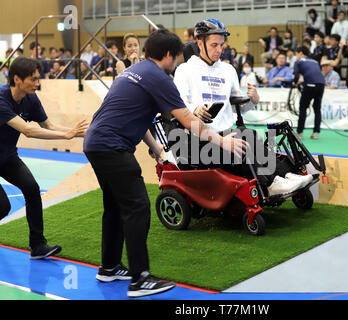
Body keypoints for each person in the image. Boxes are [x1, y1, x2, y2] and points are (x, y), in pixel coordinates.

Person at [83, 29, 247, 297]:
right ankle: (140, 279)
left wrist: (156, 147)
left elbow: (136, 113)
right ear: (169, 55)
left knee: (114, 206)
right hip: (113, 148)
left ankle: (110, 267)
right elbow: (189, 121)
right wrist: (224, 142)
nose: (179, 64)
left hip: (95, 143)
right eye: (179, 59)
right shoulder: (159, 77)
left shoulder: (134, 72)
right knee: (138, 206)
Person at [174, 19, 314, 196]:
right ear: (200, 43)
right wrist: (195, 109)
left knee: (251, 135)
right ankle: (272, 182)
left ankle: (284, 176)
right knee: (245, 139)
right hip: (199, 138)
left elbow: (238, 107)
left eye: (222, 45)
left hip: (226, 132)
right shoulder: (184, 70)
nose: (219, 50)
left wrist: (252, 100)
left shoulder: (228, 70)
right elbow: (179, 104)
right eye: (214, 45)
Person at [0, 57, 88, 259]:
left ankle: (38, 246)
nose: (38, 83)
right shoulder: (1, 99)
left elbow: (49, 126)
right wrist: (67, 135)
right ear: (17, 79)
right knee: (3, 207)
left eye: (38, 78)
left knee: (32, 188)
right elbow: (28, 130)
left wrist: (79, 133)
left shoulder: (31, 99)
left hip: (7, 157)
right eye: (33, 79)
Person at [293, 46, 326, 140]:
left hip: (310, 85)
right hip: (321, 84)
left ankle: (299, 132)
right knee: (317, 108)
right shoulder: (315, 61)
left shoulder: (298, 61)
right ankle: (316, 132)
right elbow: (313, 73)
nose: (296, 56)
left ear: (300, 53)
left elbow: (296, 75)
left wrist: (295, 82)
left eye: (296, 54)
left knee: (303, 108)